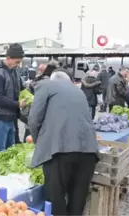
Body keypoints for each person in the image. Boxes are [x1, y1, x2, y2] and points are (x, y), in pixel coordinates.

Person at [29, 69, 98, 216]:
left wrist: (38, 142)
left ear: (53, 79)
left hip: (60, 151)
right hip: (89, 151)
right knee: (78, 199)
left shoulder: (46, 85)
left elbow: (34, 120)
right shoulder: (78, 91)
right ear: (69, 81)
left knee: (56, 198)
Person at [0, 43, 27, 151]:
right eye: (17, 62)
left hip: (11, 118)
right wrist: (18, 104)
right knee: (0, 153)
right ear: (8, 58)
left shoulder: (14, 72)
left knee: (11, 151)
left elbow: (21, 89)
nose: (18, 65)